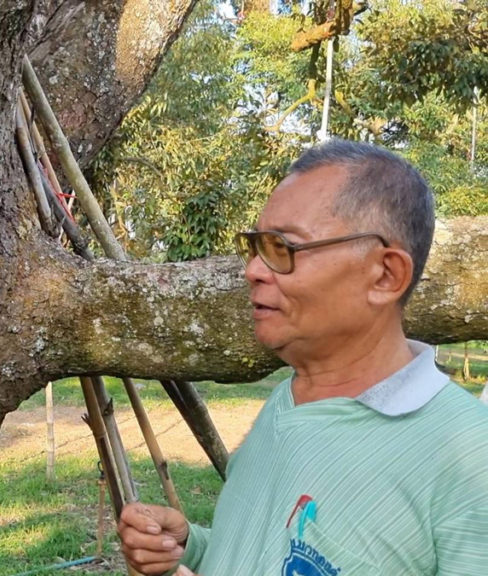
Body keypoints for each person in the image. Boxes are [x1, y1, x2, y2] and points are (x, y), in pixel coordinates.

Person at [118, 140, 488, 575]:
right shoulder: (286, 403)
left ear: (386, 275)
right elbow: (273, 550)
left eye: (283, 249)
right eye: (255, 248)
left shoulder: (468, 459)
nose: (253, 270)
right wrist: (191, 548)